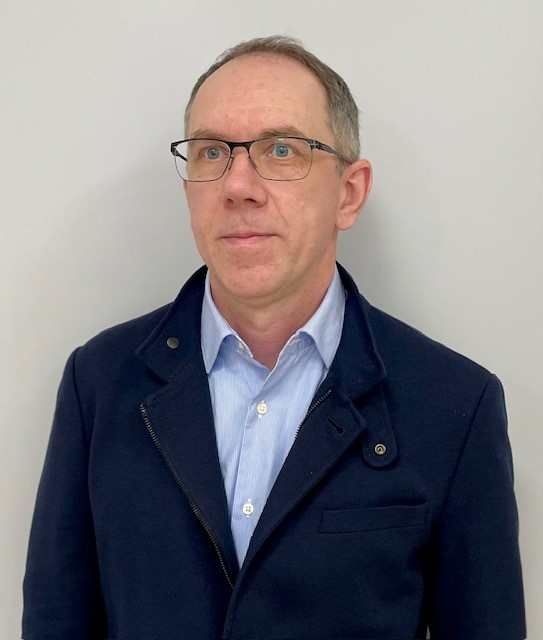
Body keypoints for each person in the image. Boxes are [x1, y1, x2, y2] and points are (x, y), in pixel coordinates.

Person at [22, 35, 525, 640]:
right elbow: (57, 621)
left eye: (282, 150)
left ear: (349, 193)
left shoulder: (454, 405)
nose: (238, 186)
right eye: (212, 152)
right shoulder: (99, 383)